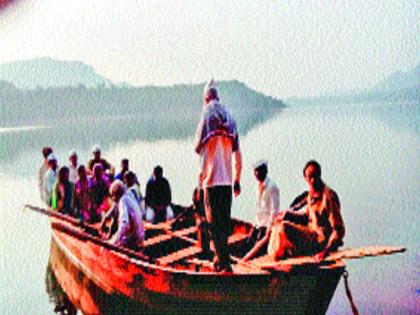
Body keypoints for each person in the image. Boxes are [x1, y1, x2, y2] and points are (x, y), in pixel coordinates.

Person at [243, 160, 345, 263]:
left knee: (284, 228)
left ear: (320, 175)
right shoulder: (311, 193)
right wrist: (289, 215)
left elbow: (338, 230)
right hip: (310, 233)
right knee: (278, 225)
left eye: (315, 176)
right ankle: (277, 254)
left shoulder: (328, 196)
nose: (313, 180)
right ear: (306, 178)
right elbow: (307, 217)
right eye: (310, 177)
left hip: (320, 241)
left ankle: (280, 255)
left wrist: (325, 251)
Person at [194, 79, 242, 272]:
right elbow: (238, 153)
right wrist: (237, 178)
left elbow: (202, 154)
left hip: (211, 181)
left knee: (214, 226)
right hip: (227, 181)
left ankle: (224, 265)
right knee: (224, 223)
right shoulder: (229, 116)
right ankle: (221, 258)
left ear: (206, 99)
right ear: (217, 97)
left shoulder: (206, 115)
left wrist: (200, 182)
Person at [245, 160, 280, 254]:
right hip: (258, 223)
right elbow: (258, 208)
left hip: (267, 225)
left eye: (259, 170)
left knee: (259, 249)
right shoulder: (257, 186)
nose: (256, 173)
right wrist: (254, 225)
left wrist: (269, 228)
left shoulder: (272, 187)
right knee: (247, 244)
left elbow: (275, 210)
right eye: (255, 171)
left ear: (265, 171)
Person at [102, 180, 145, 250]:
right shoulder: (129, 195)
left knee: (110, 244)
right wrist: (106, 217)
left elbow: (124, 223)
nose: (113, 199)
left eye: (113, 196)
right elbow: (115, 206)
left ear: (117, 194)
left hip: (133, 240)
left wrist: (113, 241)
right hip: (140, 237)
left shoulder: (123, 201)